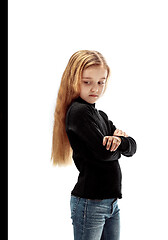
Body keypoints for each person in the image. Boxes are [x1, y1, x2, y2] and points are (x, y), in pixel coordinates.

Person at [51, 50, 136, 240]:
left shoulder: (100, 116)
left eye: (101, 82)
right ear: (73, 80)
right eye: (87, 82)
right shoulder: (78, 112)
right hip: (90, 204)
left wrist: (120, 141)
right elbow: (103, 154)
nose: (95, 89)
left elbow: (133, 146)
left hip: (111, 204)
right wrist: (119, 144)